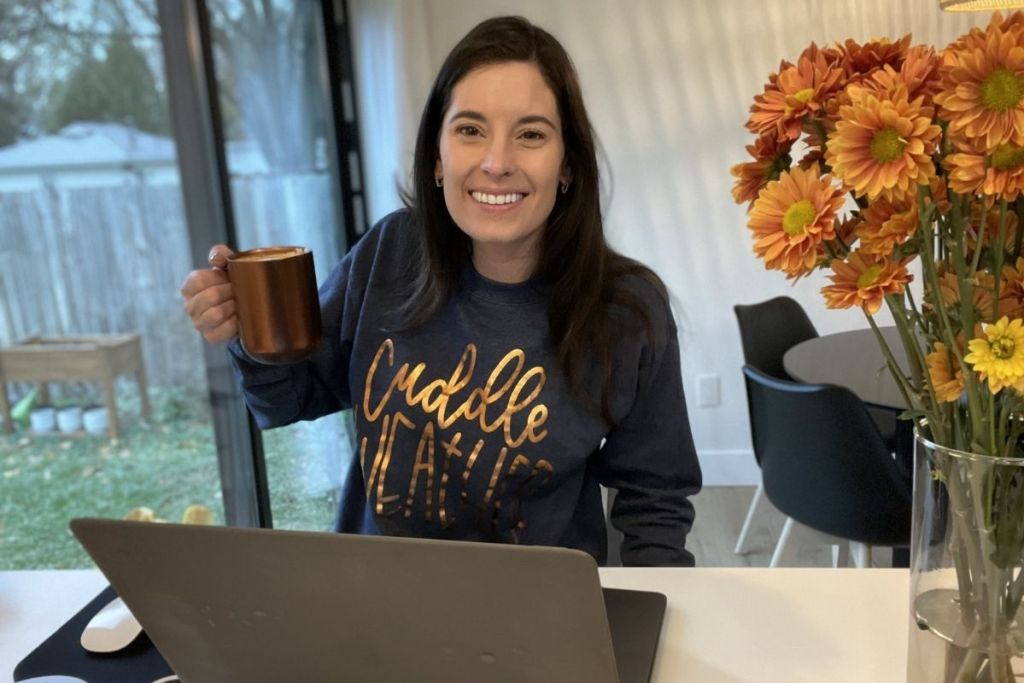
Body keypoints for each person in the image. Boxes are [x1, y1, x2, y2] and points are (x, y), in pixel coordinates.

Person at [180, 15, 701, 566]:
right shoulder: (391, 251)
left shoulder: (626, 308)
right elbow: (289, 398)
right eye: (470, 130)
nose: (497, 164)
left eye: (530, 134)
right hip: (375, 601)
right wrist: (249, 332)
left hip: (540, 615)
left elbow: (655, 498)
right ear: (437, 157)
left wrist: (657, 612)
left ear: (567, 163)